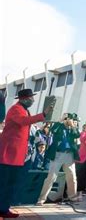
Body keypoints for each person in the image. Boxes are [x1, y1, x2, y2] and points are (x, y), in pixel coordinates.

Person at [0, 89, 53, 218]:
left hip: (15, 155)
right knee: (4, 184)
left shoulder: (23, 109)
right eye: (31, 98)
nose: (33, 100)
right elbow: (24, 121)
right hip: (8, 154)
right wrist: (43, 115)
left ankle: (3, 208)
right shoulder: (16, 109)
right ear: (24, 98)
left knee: (11, 184)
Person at [36, 113, 81, 205]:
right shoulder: (59, 127)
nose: (72, 121)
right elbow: (52, 130)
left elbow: (77, 135)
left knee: (72, 176)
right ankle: (42, 198)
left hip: (69, 155)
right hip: (58, 154)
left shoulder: (73, 129)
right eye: (70, 119)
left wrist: (72, 126)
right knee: (51, 177)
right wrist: (60, 120)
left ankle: (72, 196)